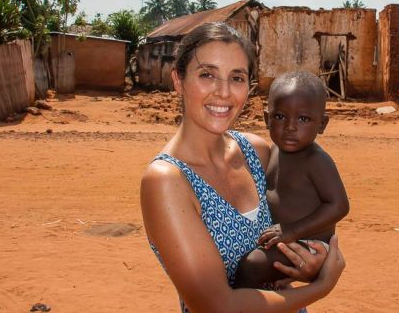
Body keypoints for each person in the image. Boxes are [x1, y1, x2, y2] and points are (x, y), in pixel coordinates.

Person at [140, 23, 345, 313]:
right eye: (207, 75)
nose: (223, 92)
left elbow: (307, 219)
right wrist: (319, 288)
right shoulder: (167, 181)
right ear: (178, 79)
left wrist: (309, 262)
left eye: (236, 78)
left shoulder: (257, 152)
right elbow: (217, 307)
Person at [234, 71, 350, 288]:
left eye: (303, 119)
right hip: (285, 237)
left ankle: (236, 305)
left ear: (323, 124)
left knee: (251, 266)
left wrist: (292, 230)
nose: (290, 126)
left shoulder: (316, 160)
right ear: (267, 119)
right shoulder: (274, 150)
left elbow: (339, 206)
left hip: (309, 244)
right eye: (280, 117)